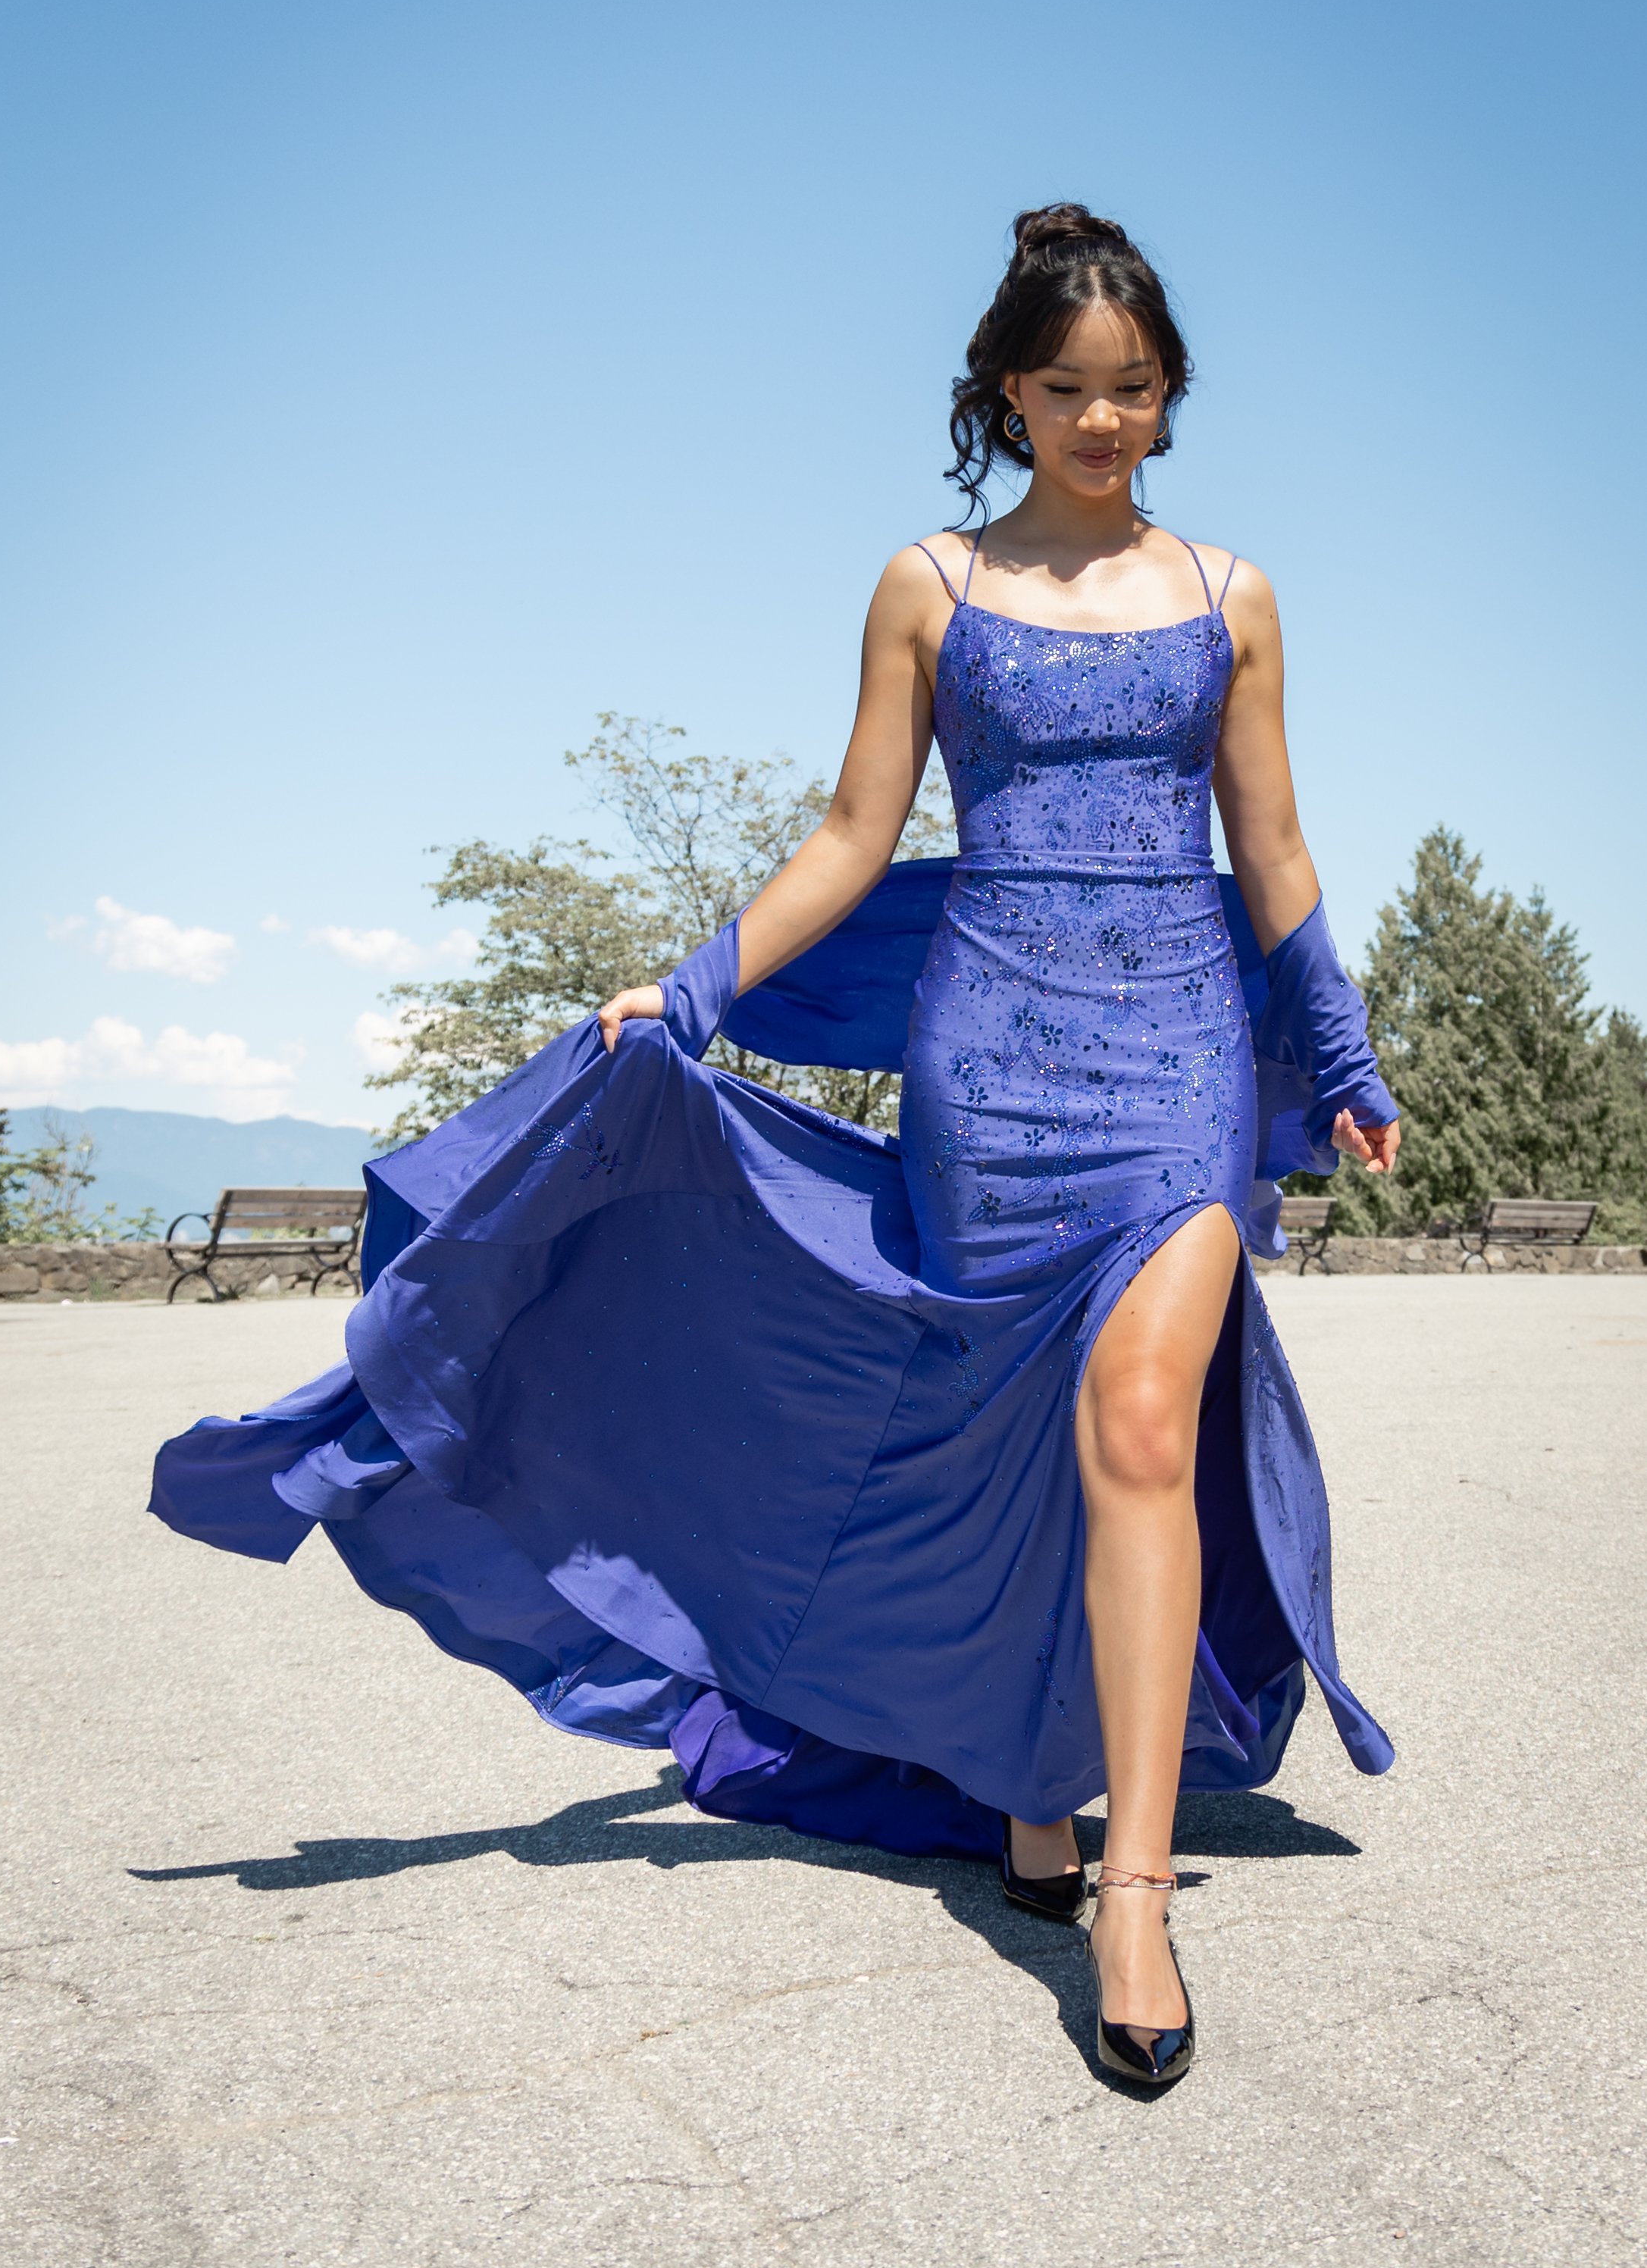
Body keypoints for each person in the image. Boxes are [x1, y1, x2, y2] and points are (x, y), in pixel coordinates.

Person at [154, 207, 1398, 2091]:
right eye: (1067, 388)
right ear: (1006, 389)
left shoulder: (1231, 593)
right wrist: (690, 988)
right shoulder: (925, 584)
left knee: (1143, 1423)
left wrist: (1341, 1048)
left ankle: (1131, 1883)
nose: (1103, 420)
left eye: (1133, 388)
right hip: (990, 1065)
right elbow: (849, 828)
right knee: (1027, 1442)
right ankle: (1025, 1782)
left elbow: (1279, 845)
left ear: (1169, 396)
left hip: (1176, 1067)